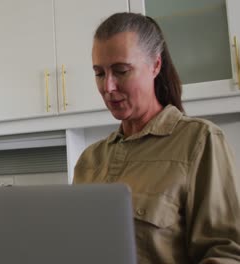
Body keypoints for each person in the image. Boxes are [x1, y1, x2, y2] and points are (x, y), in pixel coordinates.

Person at [74, 12, 240, 263]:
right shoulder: (89, 160)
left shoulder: (199, 141)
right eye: (99, 73)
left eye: (121, 71)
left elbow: (226, 252)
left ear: (155, 66)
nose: (108, 87)